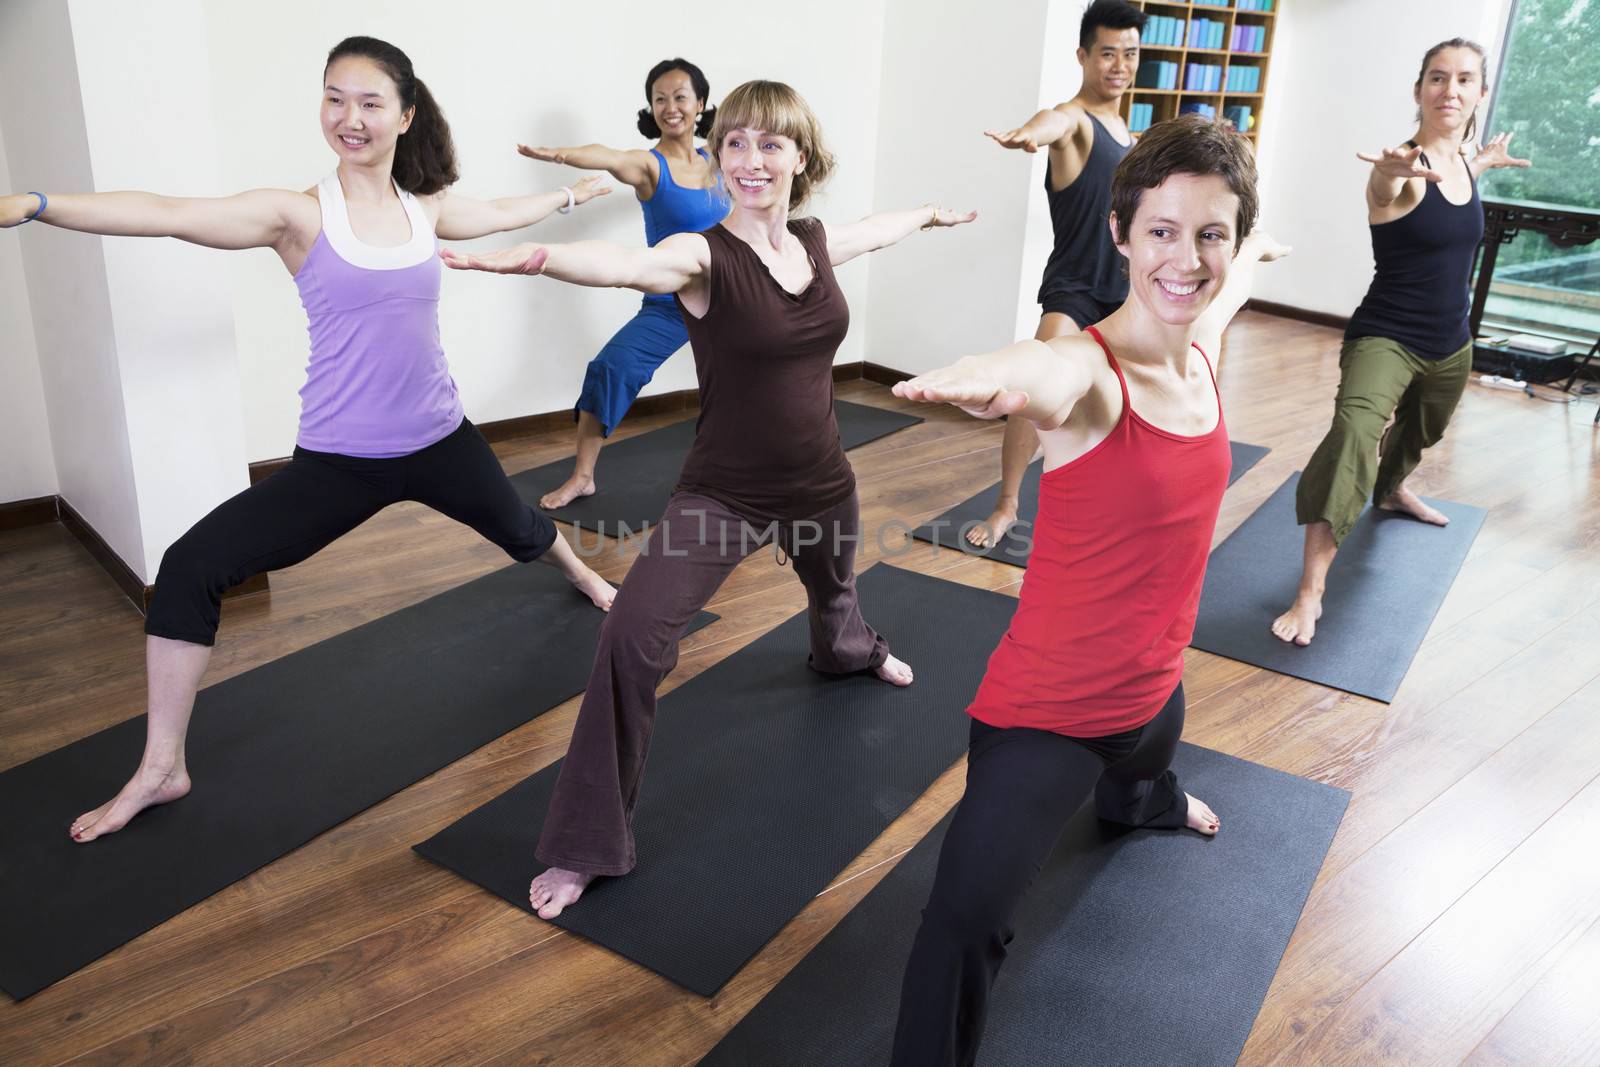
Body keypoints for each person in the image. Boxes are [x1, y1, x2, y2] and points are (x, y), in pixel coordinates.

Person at [0, 36, 617, 843]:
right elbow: (166, 213)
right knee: (191, 565)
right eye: (334, 97)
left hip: (439, 435)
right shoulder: (296, 213)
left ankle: (584, 577)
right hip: (341, 461)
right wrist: (40, 204)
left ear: (406, 114)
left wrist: (570, 195)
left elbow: (503, 212)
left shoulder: (424, 206)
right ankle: (161, 767)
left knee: (518, 525)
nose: (348, 117)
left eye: (368, 102)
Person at [443, 78, 975, 918]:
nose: (751, 159)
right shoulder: (701, 253)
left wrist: (929, 216)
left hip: (825, 477)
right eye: (736, 143)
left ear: (801, 156)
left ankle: (849, 651)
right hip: (725, 492)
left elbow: (875, 231)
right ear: (720, 158)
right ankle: (587, 843)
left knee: (835, 593)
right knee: (631, 636)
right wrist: (538, 257)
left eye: (771, 144)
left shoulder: (813, 239)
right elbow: (626, 266)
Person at [885, 115, 1286, 1066]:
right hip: (1048, 716)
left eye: (1211, 235)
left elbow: (1223, 297)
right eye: (1161, 231)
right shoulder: (1092, 376)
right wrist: (996, 375)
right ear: (1118, 233)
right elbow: (1048, 371)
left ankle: (1144, 801)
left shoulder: (1199, 348)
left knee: (1146, 774)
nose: (1185, 260)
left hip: (1155, 696)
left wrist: (1259, 250)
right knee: (965, 924)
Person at [1271, 37, 1530, 646]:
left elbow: (1462, 180)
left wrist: (1485, 161)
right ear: (1419, 90)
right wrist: (1384, 177)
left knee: (1422, 431)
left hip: (1451, 340)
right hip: (1387, 336)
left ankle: (1390, 491)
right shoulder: (1405, 168)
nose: (1451, 90)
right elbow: (1387, 195)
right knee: (1355, 434)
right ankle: (1310, 591)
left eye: (1466, 80)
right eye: (1438, 78)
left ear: (1481, 95)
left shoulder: (1464, 164)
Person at [967, 0, 1146, 549]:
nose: (1119, 65)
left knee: (1123, 406)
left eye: (1130, 54)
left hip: (1125, 295)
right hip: (1074, 290)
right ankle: (1005, 507)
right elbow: (1055, 122)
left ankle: (1106, 510)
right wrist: (1029, 132)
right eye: (1108, 53)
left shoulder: (1129, 135)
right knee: (1029, 389)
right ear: (1083, 56)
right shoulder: (1075, 123)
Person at [516, 58, 731, 509]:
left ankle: (752, 472)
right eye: (660, 99)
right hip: (672, 302)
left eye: (680, 97)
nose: (670, 107)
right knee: (611, 367)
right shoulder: (649, 167)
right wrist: (558, 155)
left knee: (758, 375)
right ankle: (582, 476)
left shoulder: (720, 157)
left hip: (732, 296)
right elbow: (608, 156)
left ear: (701, 104)